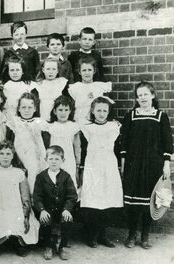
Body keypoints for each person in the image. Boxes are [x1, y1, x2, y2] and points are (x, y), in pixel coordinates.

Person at [121, 81, 173, 249]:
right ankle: (131, 234)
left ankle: (145, 235)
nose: (142, 97)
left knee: (150, 201)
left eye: (145, 94)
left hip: (153, 165)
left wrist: (166, 165)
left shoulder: (160, 116)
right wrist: (123, 164)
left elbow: (167, 143)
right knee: (133, 202)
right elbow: (124, 142)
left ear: (152, 95)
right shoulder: (131, 115)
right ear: (136, 98)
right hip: (134, 164)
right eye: (139, 95)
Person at [0, 141, 40, 258]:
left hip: (16, 207)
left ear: (13, 155)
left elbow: (25, 196)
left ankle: (18, 244)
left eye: (8, 154)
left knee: (20, 224)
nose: (5, 157)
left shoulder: (19, 172)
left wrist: (26, 215)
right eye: (2, 153)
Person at [80, 97, 123, 248]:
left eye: (105, 110)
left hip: (109, 165)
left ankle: (103, 235)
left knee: (107, 199)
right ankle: (91, 235)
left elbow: (118, 149)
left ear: (109, 111)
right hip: (92, 165)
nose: (101, 113)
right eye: (98, 110)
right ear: (92, 111)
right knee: (93, 200)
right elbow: (83, 149)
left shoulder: (114, 127)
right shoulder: (86, 128)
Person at [33, 146, 78, 261]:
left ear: (63, 161)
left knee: (67, 218)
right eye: (51, 158)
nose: (53, 161)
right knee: (45, 219)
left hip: (62, 210)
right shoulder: (41, 177)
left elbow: (72, 195)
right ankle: (50, 246)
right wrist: (42, 210)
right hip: (47, 210)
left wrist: (67, 209)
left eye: (57, 159)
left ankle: (63, 246)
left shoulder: (66, 176)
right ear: (46, 160)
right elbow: (37, 197)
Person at [7, 92, 49, 193]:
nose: (26, 110)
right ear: (19, 109)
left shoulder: (40, 123)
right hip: (19, 158)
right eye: (23, 107)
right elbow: (9, 142)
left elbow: (46, 144)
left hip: (35, 159)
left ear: (35, 108)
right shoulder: (14, 123)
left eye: (30, 107)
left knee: (34, 181)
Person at [48, 96, 81, 191]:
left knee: (69, 183)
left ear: (70, 111)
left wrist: (78, 164)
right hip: (53, 160)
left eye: (66, 110)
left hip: (69, 160)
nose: (63, 113)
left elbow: (77, 146)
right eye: (60, 110)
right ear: (55, 111)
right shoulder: (50, 127)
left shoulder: (73, 127)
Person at [68, 56, 112, 124]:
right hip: (79, 121)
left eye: (89, 70)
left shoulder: (99, 87)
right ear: (79, 72)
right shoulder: (75, 88)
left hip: (95, 122)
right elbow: (71, 108)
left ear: (94, 71)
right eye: (84, 70)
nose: (87, 73)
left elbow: (106, 106)